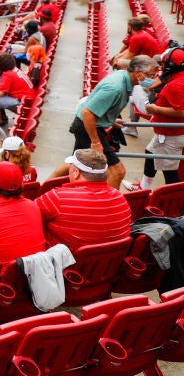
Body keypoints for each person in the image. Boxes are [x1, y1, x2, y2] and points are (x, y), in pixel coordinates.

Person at [51, 55, 161, 188]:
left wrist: (110, 119)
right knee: (117, 172)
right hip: (86, 126)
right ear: (137, 72)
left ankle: (43, 189)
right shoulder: (114, 88)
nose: (153, 80)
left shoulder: (126, 79)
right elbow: (87, 113)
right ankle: (108, 205)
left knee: (75, 164)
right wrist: (95, 142)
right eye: (151, 75)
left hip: (89, 124)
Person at [35, 149, 132, 252]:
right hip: (105, 267)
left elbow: (27, 216)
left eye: (71, 167)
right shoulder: (120, 199)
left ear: (76, 173)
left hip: (61, 265)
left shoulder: (58, 197)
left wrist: (56, 173)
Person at [139, 47, 184, 189]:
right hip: (166, 132)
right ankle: (144, 187)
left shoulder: (176, 85)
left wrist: (155, 109)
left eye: (164, 63)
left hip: (171, 134)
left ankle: (174, 206)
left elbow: (182, 112)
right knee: (150, 152)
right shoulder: (178, 78)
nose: (162, 67)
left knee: (169, 172)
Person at [0, 53, 35, 136]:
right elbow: (1, 85)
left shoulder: (8, 74)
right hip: (27, 101)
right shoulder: (14, 70)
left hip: (23, 104)